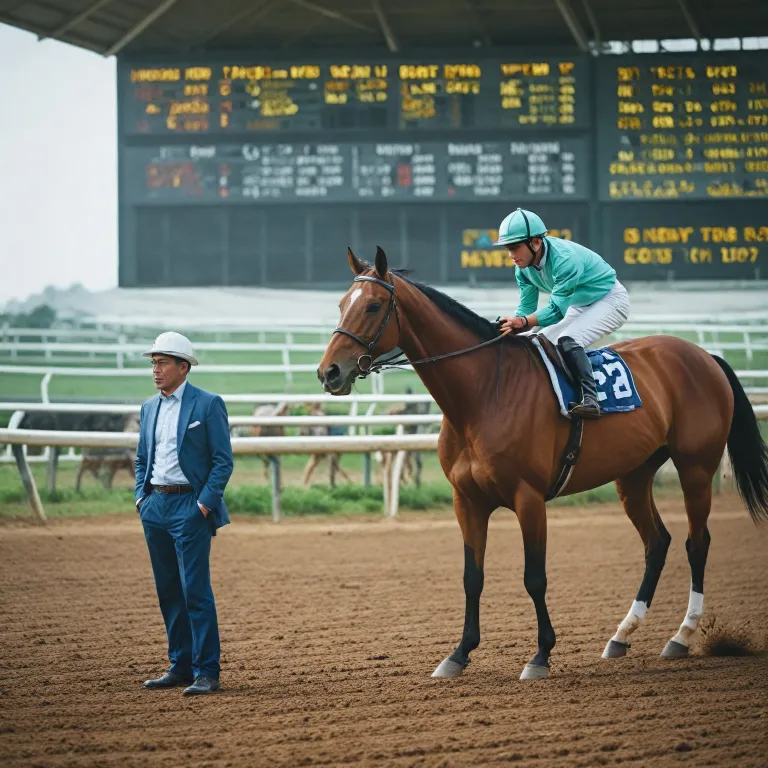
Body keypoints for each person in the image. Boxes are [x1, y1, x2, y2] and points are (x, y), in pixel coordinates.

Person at [135, 332, 234, 696]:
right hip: (155, 506)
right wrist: (140, 498)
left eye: (162, 363)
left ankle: (207, 671)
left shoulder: (208, 404)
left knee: (195, 591)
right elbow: (142, 458)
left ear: (183, 366)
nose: (156, 370)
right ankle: (180, 665)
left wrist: (202, 506)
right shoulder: (148, 407)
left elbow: (222, 462)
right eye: (154, 363)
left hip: (190, 506)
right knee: (168, 590)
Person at [496, 208, 630, 419]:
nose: (512, 256)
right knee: (534, 342)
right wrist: (514, 324)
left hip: (610, 300)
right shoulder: (522, 267)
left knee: (568, 340)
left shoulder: (565, 260)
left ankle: (591, 398)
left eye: (516, 248)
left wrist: (522, 321)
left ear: (536, 243)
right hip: (578, 303)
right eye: (508, 249)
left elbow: (556, 311)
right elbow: (526, 308)